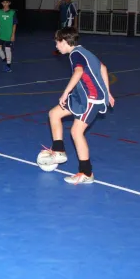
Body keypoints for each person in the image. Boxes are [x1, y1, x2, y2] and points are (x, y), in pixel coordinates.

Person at [37, 27, 115, 184]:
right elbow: (103, 68)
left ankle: (86, 173)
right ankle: (58, 151)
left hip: (92, 99)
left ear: (65, 41)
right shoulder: (84, 51)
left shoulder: (75, 54)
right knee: (54, 114)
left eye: (57, 43)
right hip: (81, 97)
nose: (56, 46)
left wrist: (66, 92)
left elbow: (78, 72)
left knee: (76, 132)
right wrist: (109, 93)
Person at [0, 0, 17, 72]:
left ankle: (8, 65)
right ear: (2, 3)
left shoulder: (13, 12)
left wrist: (13, 35)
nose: (5, 4)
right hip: (0, 34)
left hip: (9, 35)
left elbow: (14, 24)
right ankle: (4, 59)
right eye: (4, 3)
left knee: (7, 50)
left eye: (7, 3)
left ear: (9, 3)